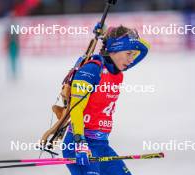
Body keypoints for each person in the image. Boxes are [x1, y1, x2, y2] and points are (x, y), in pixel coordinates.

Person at [62, 25, 150, 175]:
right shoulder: (91, 69)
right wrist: (80, 144)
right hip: (80, 144)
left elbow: (145, 48)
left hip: (101, 145)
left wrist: (105, 35)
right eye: (129, 53)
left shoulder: (117, 69)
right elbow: (76, 109)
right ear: (114, 49)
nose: (131, 59)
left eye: (132, 54)